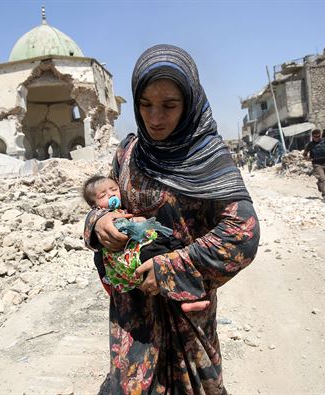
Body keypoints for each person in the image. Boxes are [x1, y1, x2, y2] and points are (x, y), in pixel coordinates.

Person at [83, 44, 260, 394]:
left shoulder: (209, 158)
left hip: (185, 310)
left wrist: (169, 268)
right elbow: (105, 200)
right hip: (133, 311)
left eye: (169, 105)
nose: (155, 118)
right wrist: (97, 223)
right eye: (145, 105)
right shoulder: (129, 153)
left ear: (190, 103)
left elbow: (243, 234)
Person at [82, 175, 210, 313]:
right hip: (136, 254)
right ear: (94, 206)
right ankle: (186, 300)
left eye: (114, 189)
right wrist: (136, 221)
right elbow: (116, 236)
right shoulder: (106, 216)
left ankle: (192, 296)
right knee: (161, 266)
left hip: (148, 241)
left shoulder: (121, 210)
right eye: (103, 195)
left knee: (176, 249)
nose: (111, 194)